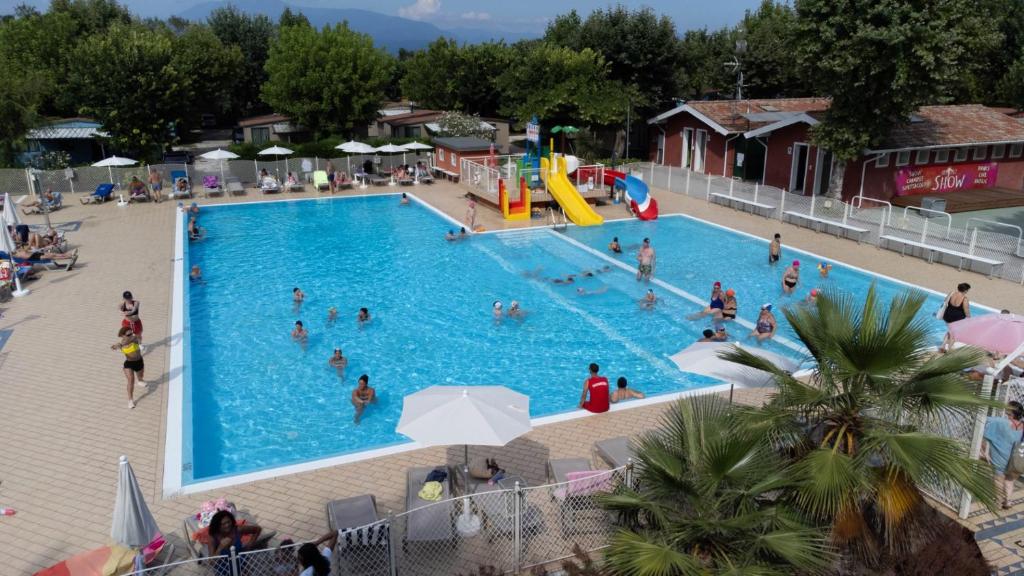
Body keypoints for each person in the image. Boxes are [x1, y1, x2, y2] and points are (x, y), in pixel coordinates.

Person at [981, 401, 1024, 509]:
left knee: (998, 479)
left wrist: (983, 450)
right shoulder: (1022, 426)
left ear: (1011, 412)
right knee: (1010, 480)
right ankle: (1008, 501)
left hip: (1000, 457)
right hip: (1016, 459)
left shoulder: (1001, 422)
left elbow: (983, 420)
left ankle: (998, 502)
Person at [112, 326, 145, 409]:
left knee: (140, 376)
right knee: (131, 380)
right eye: (128, 334)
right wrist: (115, 346)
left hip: (139, 361)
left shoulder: (134, 339)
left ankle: (140, 381)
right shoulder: (121, 344)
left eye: (131, 333)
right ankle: (130, 400)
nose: (131, 335)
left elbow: (134, 338)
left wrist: (121, 344)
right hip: (129, 364)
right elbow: (115, 346)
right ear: (123, 335)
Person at [941, 282, 972, 351]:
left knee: (950, 330)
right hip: (957, 318)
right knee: (954, 334)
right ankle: (949, 349)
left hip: (947, 315)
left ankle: (943, 346)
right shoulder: (965, 299)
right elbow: (966, 310)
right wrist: (969, 318)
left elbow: (945, 301)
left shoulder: (951, 293)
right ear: (965, 290)